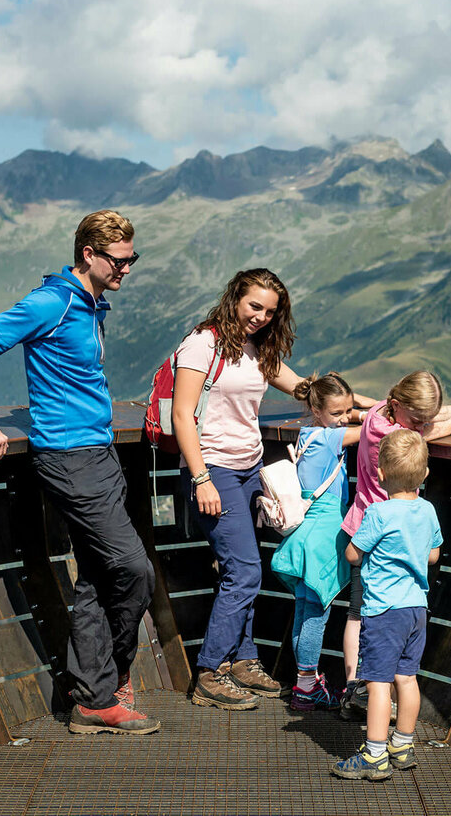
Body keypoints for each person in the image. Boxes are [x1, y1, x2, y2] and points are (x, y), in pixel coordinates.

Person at [0, 209, 159, 735]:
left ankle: (92, 700)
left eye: (132, 259)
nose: (127, 270)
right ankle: (113, 676)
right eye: (120, 261)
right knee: (135, 570)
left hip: (100, 453)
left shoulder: (91, 303)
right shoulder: (53, 301)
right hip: (71, 460)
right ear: (89, 255)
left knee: (96, 578)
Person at [174, 269, 373, 710]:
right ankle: (209, 672)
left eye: (270, 311)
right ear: (234, 299)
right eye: (254, 306)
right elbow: (182, 415)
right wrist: (202, 477)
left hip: (250, 467)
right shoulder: (201, 345)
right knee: (245, 571)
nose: (261, 317)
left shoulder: (257, 349)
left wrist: (368, 409)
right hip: (215, 470)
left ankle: (243, 659)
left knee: (242, 569)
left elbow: (308, 390)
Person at [338, 370, 451, 719]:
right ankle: (365, 687)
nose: (423, 423)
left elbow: (444, 414)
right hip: (388, 536)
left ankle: (356, 684)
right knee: (371, 612)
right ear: (400, 406)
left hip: (364, 524)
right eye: (419, 418)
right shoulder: (397, 436)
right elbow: (446, 426)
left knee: (358, 610)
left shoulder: (380, 412)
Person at [332, 429, 441, 780]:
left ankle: (374, 755)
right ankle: (402, 744)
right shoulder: (427, 510)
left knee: (378, 683)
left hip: (383, 610)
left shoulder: (378, 514)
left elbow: (353, 553)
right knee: (406, 678)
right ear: (424, 475)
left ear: (379, 475)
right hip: (416, 609)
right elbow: (433, 555)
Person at [270, 373, 363, 711]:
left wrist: (357, 410)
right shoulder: (330, 439)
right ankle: (307, 689)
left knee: (304, 609)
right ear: (316, 409)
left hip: (305, 532)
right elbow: (372, 430)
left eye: (348, 411)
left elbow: (354, 419)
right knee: (316, 615)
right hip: (324, 534)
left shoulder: (308, 433)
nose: (344, 418)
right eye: (338, 413)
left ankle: (304, 684)